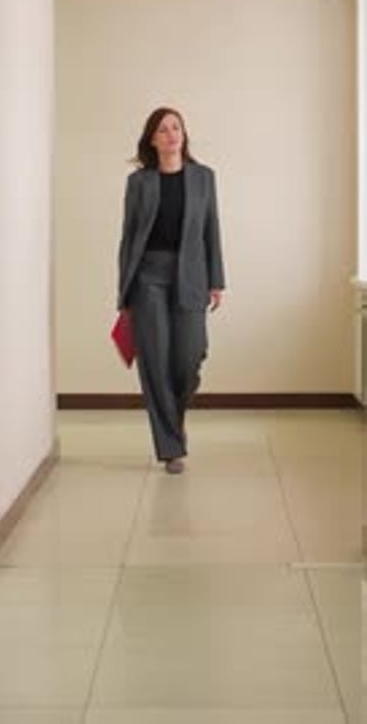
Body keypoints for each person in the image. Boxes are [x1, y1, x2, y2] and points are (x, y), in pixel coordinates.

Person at [117, 106, 226, 474]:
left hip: (191, 275)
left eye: (176, 127)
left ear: (184, 134)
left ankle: (173, 419)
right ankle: (170, 447)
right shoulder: (139, 183)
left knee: (189, 357)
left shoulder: (204, 178)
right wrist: (124, 293)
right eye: (163, 130)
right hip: (148, 277)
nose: (171, 134)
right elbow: (128, 239)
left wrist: (217, 280)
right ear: (152, 139)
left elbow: (212, 230)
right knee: (155, 361)